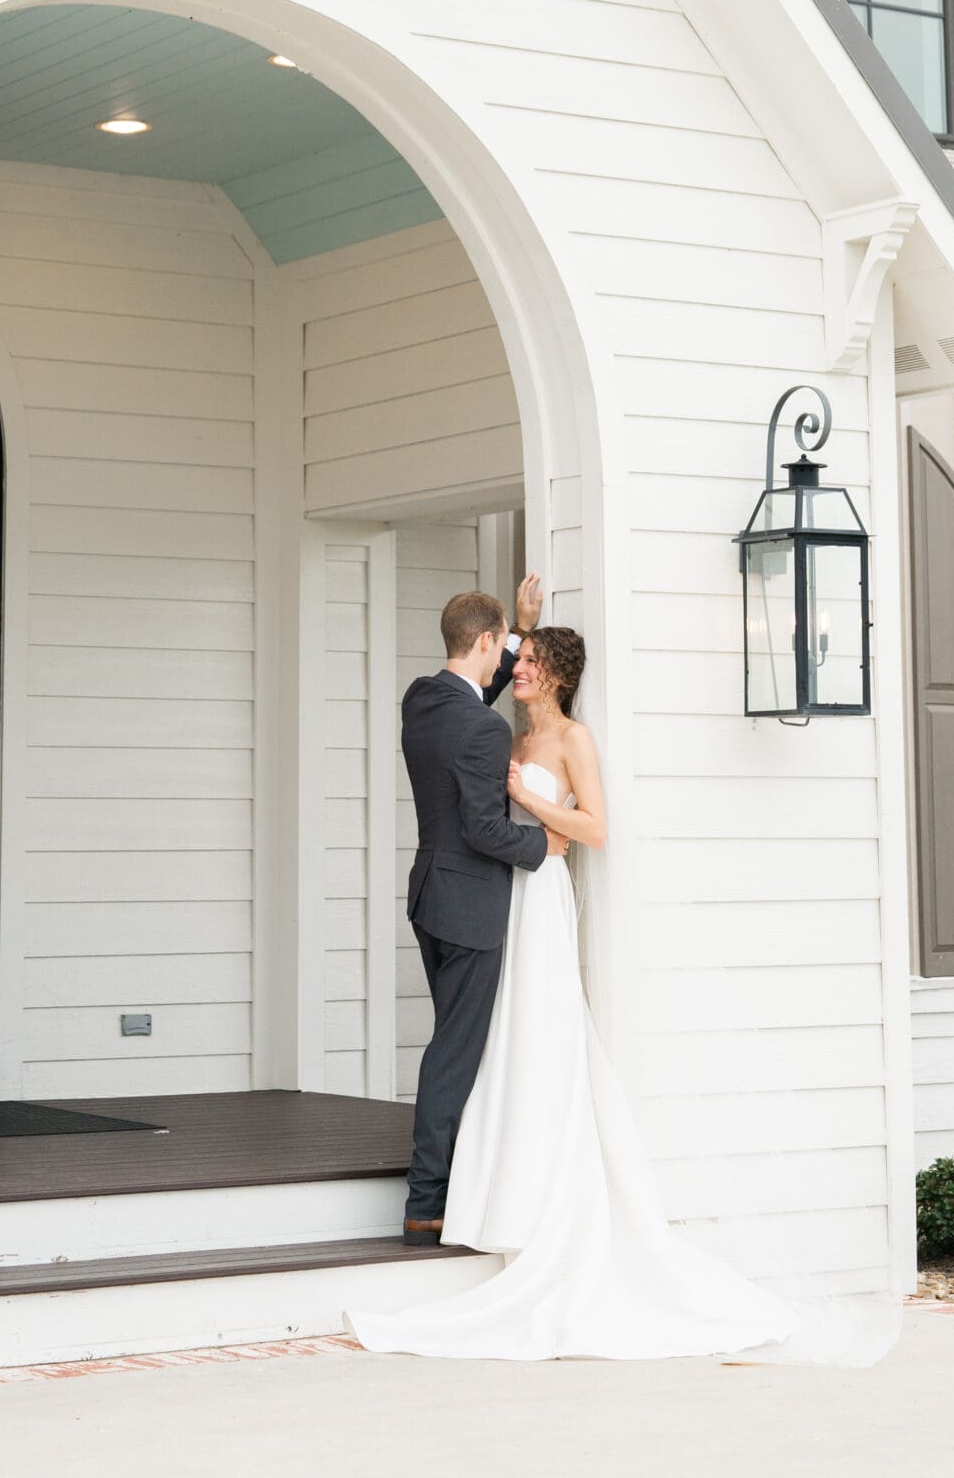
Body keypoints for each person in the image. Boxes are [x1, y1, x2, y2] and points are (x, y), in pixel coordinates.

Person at [348, 619, 801, 1361]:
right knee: (496, 1043)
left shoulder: (568, 741)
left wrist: (539, 813)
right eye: (513, 656)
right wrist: (521, 624)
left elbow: (594, 829)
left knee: (539, 1034)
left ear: (554, 675)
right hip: (503, 897)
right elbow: (481, 687)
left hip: (537, 891)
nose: (515, 669)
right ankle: (487, 1189)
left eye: (527, 663)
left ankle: (526, 1192)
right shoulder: (505, 735)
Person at [395, 576, 567, 1246]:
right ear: (488, 641)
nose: (509, 666)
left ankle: (458, 1178)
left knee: (453, 1041)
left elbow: (473, 694)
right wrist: (544, 844)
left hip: (430, 894)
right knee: (454, 1054)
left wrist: (521, 625)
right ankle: (426, 1203)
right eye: (505, 650)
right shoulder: (483, 730)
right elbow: (483, 830)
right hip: (469, 904)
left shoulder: (424, 699)